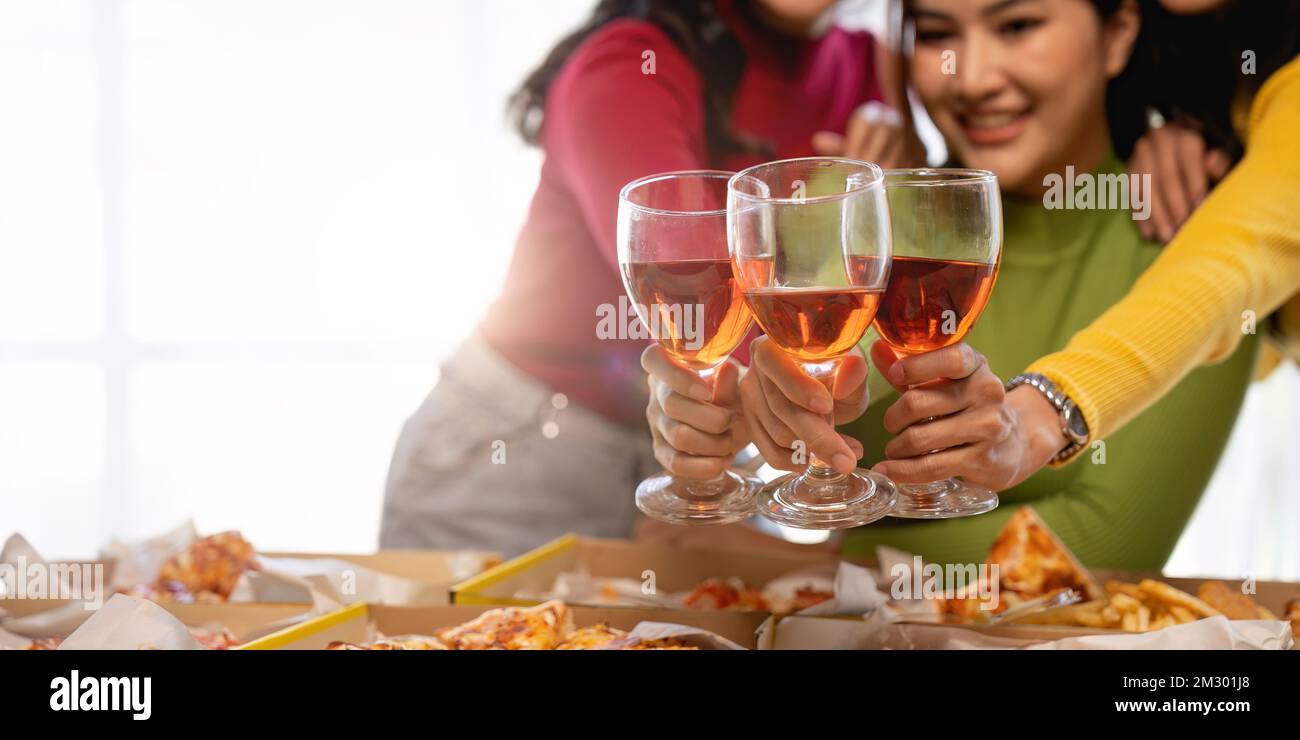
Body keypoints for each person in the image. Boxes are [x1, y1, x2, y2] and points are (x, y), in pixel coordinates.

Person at [644, 0, 1278, 570]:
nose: (972, 77)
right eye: (938, 34)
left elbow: (1103, 545)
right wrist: (734, 430)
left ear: (1118, 34)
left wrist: (806, 568)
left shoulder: (1191, 227)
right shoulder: (865, 215)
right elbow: (807, 441)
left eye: (1019, 25)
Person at [380, 0, 920, 556]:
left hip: (697, 446)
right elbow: (694, 291)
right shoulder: (630, 62)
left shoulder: (872, 70)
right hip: (520, 454)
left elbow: (861, 271)